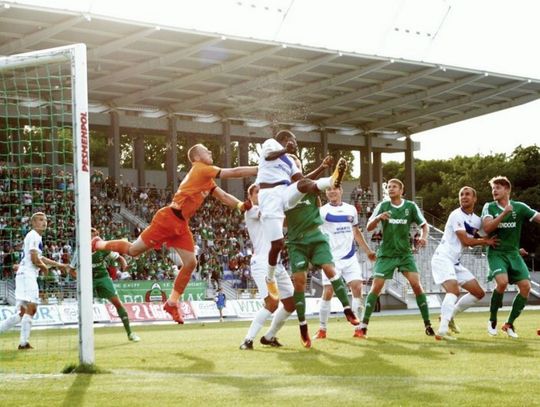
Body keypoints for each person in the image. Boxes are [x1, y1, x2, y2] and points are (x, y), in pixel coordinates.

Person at [94, 144, 257, 324]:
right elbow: (234, 172)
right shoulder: (201, 169)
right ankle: (99, 244)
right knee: (133, 251)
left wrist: (240, 205)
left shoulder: (206, 177)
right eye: (206, 151)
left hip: (180, 223)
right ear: (197, 157)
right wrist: (260, 168)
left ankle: (172, 303)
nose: (211, 152)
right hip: (168, 218)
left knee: (191, 263)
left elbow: (224, 196)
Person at [255, 130, 347, 299]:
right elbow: (268, 156)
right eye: (294, 140)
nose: (296, 144)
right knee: (278, 244)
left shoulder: (290, 161)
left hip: (285, 192)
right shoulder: (271, 144)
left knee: (304, 185)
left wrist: (322, 168)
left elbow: (303, 181)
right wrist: (285, 150)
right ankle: (270, 278)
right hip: (269, 195)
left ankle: (331, 181)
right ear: (285, 139)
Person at [284, 156, 361, 348]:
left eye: (297, 165)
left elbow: (310, 183)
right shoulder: (282, 192)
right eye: (291, 165)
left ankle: (348, 310)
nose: (295, 168)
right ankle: (303, 326)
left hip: (316, 238)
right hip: (296, 242)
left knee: (330, 269)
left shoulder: (311, 189)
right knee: (299, 282)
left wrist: (324, 168)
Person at [358, 178, 435, 338]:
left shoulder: (410, 206)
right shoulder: (383, 206)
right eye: (389, 187)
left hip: (405, 254)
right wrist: (379, 218)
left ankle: (428, 324)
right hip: (386, 254)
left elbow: (424, 225)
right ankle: (363, 326)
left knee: (416, 285)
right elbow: (369, 227)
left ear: (401, 190)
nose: (391, 189)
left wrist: (424, 237)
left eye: (394, 186)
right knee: (376, 288)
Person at [431, 186, 498, 340]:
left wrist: (513, 249)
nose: (464, 197)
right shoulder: (456, 215)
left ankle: (448, 316)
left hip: (455, 262)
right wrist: (485, 242)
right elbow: (466, 241)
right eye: (461, 194)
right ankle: (442, 331)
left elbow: (488, 236)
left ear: (475, 199)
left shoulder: (477, 220)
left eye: (467, 194)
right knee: (453, 291)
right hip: (443, 258)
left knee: (478, 293)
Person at [314, 185, 376, 340]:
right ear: (326, 193)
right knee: (328, 291)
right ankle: (322, 329)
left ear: (341, 191)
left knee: (357, 287)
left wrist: (368, 251)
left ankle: (358, 329)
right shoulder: (322, 211)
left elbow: (356, 232)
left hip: (349, 257)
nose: (331, 192)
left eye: (334, 189)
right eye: (328, 190)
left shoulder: (351, 209)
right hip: (331, 259)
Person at [482, 176, 540, 338]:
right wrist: (504, 213)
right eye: (493, 188)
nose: (494, 191)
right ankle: (492, 320)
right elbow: (487, 228)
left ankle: (509, 324)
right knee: (502, 282)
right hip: (496, 253)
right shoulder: (489, 207)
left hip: (513, 254)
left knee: (526, 287)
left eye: (498, 188)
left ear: (507, 189)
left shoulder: (519, 207)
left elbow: (537, 217)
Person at [239, 184, 296, 350]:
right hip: (262, 263)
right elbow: (275, 215)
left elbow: (285, 221)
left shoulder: (271, 212)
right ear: (250, 197)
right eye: (257, 192)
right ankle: (247, 340)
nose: (261, 194)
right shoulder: (252, 211)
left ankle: (269, 336)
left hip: (277, 264)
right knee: (272, 303)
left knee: (291, 303)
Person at [0, 212, 68, 349]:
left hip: (24, 275)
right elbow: (35, 259)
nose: (44, 222)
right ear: (33, 223)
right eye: (41, 220)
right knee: (32, 308)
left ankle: (22, 341)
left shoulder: (35, 237)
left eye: (46, 220)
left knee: (22, 313)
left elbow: (40, 257)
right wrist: (44, 268)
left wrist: (58, 265)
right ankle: (23, 343)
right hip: (27, 275)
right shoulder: (34, 236)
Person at [69, 227, 140, 342]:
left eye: (94, 234)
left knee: (118, 303)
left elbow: (119, 258)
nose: (93, 237)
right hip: (88, 281)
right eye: (91, 235)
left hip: (103, 277)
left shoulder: (103, 248)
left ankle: (130, 333)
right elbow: (71, 270)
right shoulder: (80, 251)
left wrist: (124, 264)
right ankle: (83, 338)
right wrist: (82, 280)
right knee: (84, 307)